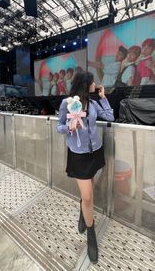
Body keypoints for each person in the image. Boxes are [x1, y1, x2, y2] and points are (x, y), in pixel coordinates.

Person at [56, 71, 114, 263]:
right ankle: (91, 234)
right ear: (86, 83)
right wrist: (70, 128)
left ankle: (84, 212)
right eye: (93, 82)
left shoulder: (95, 103)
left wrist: (103, 97)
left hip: (95, 152)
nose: (96, 84)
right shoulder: (67, 103)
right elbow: (59, 126)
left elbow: (110, 117)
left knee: (88, 191)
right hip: (78, 155)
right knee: (88, 195)